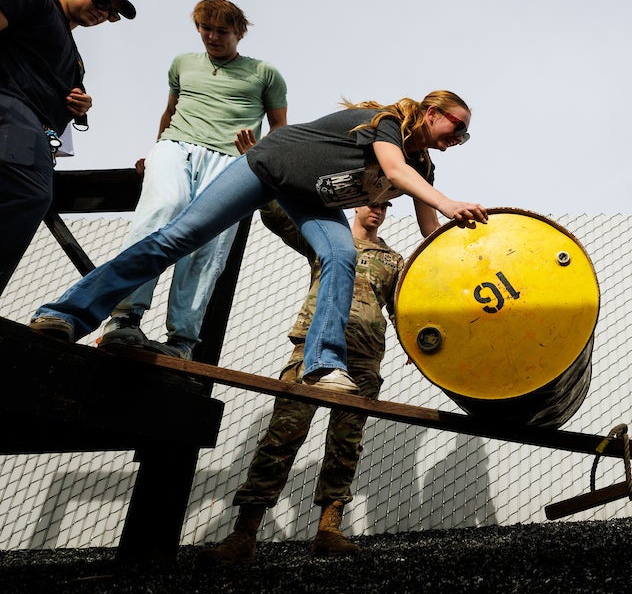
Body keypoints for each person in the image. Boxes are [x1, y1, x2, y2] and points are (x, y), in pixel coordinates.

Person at [29, 91, 487, 392]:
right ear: (431, 114)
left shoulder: (425, 169)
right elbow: (393, 171)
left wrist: (466, 267)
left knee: (342, 253)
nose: (461, 139)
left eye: (467, 136)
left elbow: (432, 234)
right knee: (181, 236)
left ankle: (323, 364)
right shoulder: (385, 122)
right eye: (457, 127)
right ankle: (63, 313)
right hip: (268, 166)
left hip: (310, 197)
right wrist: (448, 202)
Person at [200, 199, 403, 565]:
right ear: (356, 205)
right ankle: (244, 533)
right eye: (372, 203)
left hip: (364, 358)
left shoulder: (393, 260)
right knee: (281, 437)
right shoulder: (328, 240)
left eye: (384, 206)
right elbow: (281, 219)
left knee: (345, 445)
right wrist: (267, 181)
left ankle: (329, 530)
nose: (378, 210)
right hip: (313, 351)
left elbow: (403, 306)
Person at [98, 0, 288, 360]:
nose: (212, 36)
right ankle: (124, 318)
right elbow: (170, 111)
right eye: (205, 28)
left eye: (221, 30)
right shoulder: (183, 64)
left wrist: (259, 155)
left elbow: (280, 127)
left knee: (208, 243)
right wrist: (155, 152)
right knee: (161, 210)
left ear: (239, 33)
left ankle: (181, 341)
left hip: (232, 159)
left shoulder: (265, 73)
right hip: (177, 145)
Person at [0, 0, 136, 295]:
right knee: (26, 191)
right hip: (12, 112)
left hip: (37, 135)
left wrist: (77, 103)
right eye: (101, 0)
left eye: (111, 13)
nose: (103, 13)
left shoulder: (75, 60)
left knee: (26, 194)